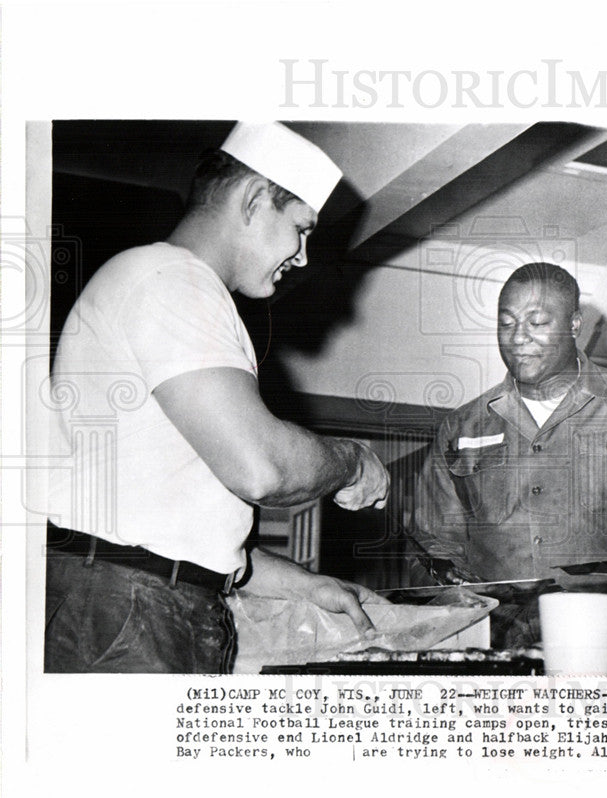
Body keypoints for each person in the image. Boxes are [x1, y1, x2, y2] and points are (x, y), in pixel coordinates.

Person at [46, 122, 391, 673]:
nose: (302, 256)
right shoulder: (171, 280)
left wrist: (305, 585)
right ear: (255, 199)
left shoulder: (171, 284)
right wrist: (352, 462)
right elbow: (258, 469)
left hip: (133, 602)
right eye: (300, 229)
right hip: (127, 608)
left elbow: (176, 531)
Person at [410, 262, 607, 588]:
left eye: (537, 322)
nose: (517, 338)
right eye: (506, 323)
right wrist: (445, 575)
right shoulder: (462, 428)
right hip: (503, 631)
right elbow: (432, 542)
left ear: (574, 324)